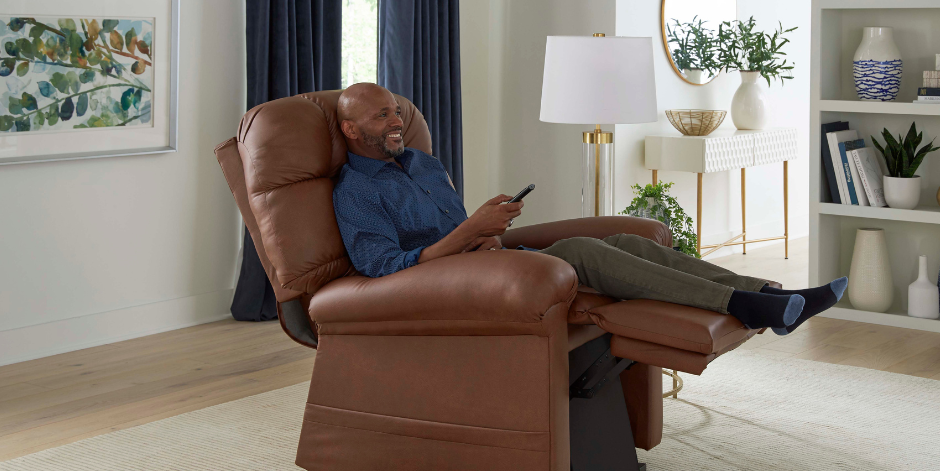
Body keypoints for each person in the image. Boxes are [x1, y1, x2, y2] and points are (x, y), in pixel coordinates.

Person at [331, 83, 846, 335]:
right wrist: (469, 233)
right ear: (351, 130)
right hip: (438, 288)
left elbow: (460, 233)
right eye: (381, 116)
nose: (395, 121)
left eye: (396, 111)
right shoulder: (355, 191)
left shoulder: (422, 164)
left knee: (623, 242)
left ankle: (768, 296)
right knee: (580, 251)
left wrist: (486, 231)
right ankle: (745, 305)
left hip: (485, 263)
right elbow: (384, 268)